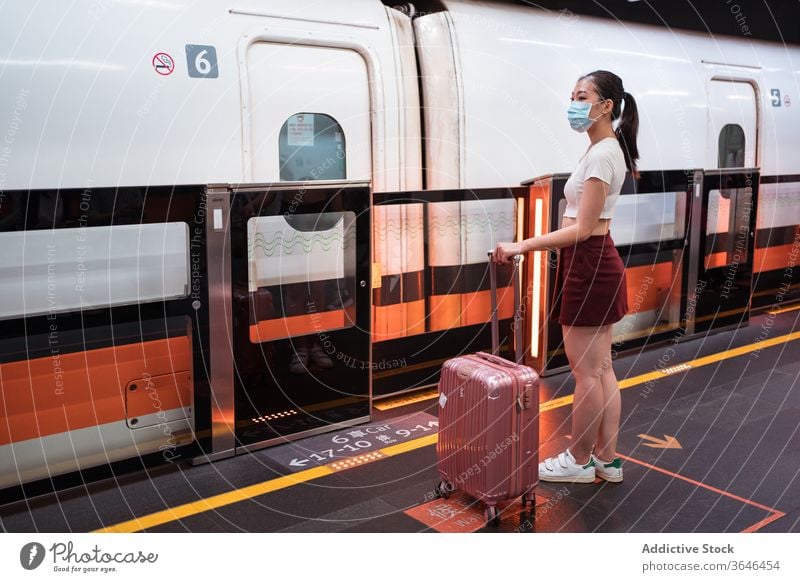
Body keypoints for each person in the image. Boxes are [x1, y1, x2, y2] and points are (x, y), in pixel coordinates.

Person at [493, 70, 639, 484]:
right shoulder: (603, 150)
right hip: (593, 262)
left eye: (582, 95)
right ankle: (607, 461)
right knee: (601, 368)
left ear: (606, 105)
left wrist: (522, 246)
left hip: (589, 263)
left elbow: (582, 227)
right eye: (572, 96)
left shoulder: (602, 154)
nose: (573, 104)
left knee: (587, 372)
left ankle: (577, 461)